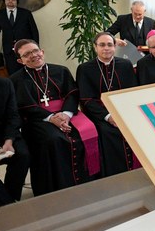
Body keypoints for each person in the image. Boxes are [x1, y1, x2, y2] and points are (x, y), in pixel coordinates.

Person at [9, 39, 95, 196]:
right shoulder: (15, 80)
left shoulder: (61, 70)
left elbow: (72, 93)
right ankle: (60, 188)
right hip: (37, 120)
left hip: (66, 114)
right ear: (20, 61)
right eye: (27, 54)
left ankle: (87, 181)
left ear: (42, 51)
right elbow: (24, 106)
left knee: (90, 131)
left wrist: (66, 114)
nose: (33, 55)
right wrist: (50, 117)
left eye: (35, 51)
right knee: (55, 139)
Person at [76, 32, 139, 177]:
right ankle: (114, 174)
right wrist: (108, 116)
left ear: (115, 46)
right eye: (102, 45)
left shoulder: (125, 64)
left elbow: (132, 92)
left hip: (124, 110)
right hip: (99, 114)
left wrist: (125, 113)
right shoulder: (85, 68)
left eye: (110, 45)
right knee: (108, 132)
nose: (106, 48)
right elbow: (86, 99)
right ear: (95, 47)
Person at [0, 76, 30, 206]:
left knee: (23, 155)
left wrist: (8, 141)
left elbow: (13, 115)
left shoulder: (4, 84)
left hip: (3, 132)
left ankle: (8, 196)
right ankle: (8, 204)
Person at [0, 0, 40, 75]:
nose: (10, 1)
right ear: (4, 1)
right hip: (9, 50)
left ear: (17, 1)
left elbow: (34, 31)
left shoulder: (26, 13)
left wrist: (36, 48)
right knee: (13, 74)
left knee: (29, 72)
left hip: (26, 49)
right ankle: (15, 88)